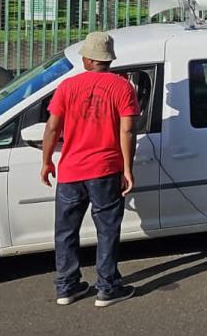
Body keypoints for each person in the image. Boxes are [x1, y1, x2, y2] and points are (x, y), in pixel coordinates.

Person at [41, 32, 139, 307]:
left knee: (65, 231)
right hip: (106, 169)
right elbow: (128, 130)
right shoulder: (122, 87)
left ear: (87, 59)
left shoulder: (67, 87)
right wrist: (127, 168)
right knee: (107, 230)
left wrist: (47, 161)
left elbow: (52, 127)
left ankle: (66, 287)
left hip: (71, 171)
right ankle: (107, 288)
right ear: (107, 60)